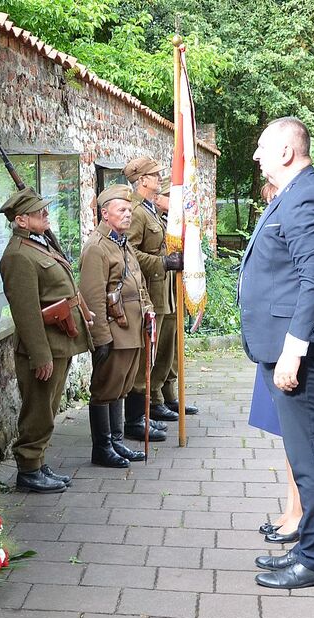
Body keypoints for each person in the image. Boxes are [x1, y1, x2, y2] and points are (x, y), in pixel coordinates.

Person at [238, 118, 314, 589]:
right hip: (284, 345)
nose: (257, 156)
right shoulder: (294, 194)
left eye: (263, 147)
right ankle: (308, 544)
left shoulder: (307, 197)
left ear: (286, 151)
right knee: (300, 453)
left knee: (309, 457)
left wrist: (294, 351)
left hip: (297, 352)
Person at [0, 188, 95, 493]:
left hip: (59, 343)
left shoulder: (38, 245)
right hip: (43, 349)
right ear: (21, 220)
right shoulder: (18, 255)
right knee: (38, 409)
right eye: (39, 212)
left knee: (48, 408)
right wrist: (40, 356)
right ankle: (28, 469)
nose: (46, 214)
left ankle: (38, 462)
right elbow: (25, 312)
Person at [79, 184, 152, 467]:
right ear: (104, 213)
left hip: (132, 328)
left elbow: (138, 282)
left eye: (129, 209)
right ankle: (102, 447)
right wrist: (101, 338)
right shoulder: (97, 248)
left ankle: (116, 441)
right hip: (114, 330)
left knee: (121, 386)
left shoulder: (122, 243)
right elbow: (92, 296)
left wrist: (148, 312)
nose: (127, 215)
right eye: (121, 210)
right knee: (105, 388)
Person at [247, 182, 301, 543]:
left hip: (287, 343)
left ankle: (299, 513)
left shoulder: (301, 208)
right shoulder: (283, 206)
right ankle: (291, 506)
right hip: (271, 340)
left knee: (297, 438)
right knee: (287, 436)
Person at [121, 157, 184, 442]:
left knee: (153, 353)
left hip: (160, 291)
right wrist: (163, 263)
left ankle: (145, 412)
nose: (160, 179)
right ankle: (136, 419)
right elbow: (129, 252)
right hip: (148, 291)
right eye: (155, 175)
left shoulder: (148, 209)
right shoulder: (136, 211)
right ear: (142, 180)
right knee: (146, 356)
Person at [153, 178, 199, 415]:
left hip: (174, 288)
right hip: (161, 288)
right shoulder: (155, 221)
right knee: (161, 346)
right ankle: (156, 397)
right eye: (170, 197)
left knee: (174, 346)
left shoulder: (173, 224)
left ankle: (170, 393)